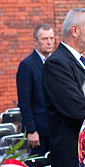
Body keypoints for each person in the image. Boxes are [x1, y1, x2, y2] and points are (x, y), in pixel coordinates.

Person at [43, 9, 85, 167]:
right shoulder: (57, 63)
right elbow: (76, 111)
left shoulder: (82, 62)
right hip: (73, 161)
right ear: (75, 30)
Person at [16, 23, 55, 152]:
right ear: (35, 42)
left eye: (52, 38)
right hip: (38, 132)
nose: (49, 42)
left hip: (55, 129)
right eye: (45, 39)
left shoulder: (55, 63)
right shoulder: (27, 65)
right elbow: (24, 101)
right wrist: (31, 130)